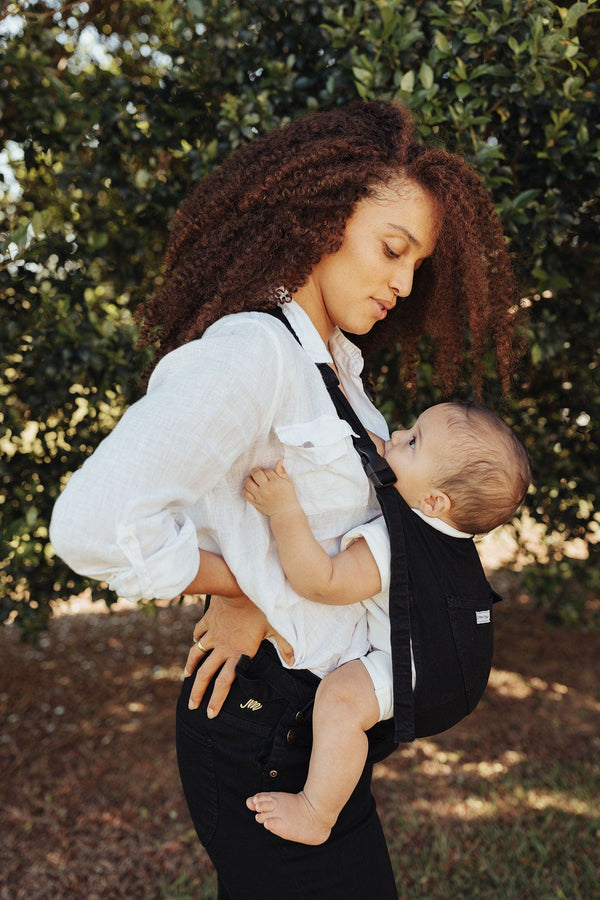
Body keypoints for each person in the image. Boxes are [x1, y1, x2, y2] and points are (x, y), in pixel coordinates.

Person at [49, 100, 523, 899]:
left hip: (312, 728)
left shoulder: (335, 362)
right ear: (326, 217)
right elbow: (94, 526)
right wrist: (243, 585)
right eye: (393, 250)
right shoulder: (253, 352)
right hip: (260, 727)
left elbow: (261, 499)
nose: (405, 285)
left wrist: (263, 580)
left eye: (417, 265)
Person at [241, 401, 531, 845]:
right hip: (456, 667)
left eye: (412, 441)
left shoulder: (396, 545)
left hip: (422, 673)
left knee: (339, 700)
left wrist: (284, 511)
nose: (395, 436)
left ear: (433, 500)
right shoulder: (445, 531)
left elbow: (322, 581)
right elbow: (380, 452)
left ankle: (317, 812)